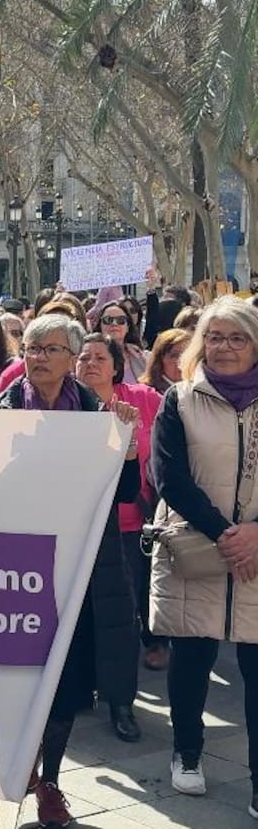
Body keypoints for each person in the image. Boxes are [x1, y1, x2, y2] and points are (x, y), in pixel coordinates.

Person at [0, 314, 140, 829]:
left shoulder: (97, 416)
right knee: (5, 682)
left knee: (65, 685)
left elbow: (125, 494)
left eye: (51, 349)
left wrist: (125, 447)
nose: (38, 356)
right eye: (33, 347)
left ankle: (52, 782)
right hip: (7, 574)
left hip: (73, 575)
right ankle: (21, 765)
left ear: (72, 359)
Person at [149, 297, 258, 808]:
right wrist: (227, 533)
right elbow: (169, 477)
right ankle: (186, 751)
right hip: (196, 545)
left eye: (237, 337)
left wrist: (254, 532)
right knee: (191, 658)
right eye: (214, 337)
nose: (225, 347)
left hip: (257, 551)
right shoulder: (181, 399)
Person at [76, 332, 165, 726]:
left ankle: (120, 702)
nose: (90, 363)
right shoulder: (65, 403)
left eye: (100, 357)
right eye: (83, 356)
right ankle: (79, 693)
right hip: (73, 528)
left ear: (116, 367)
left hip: (126, 526)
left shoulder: (144, 401)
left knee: (121, 618)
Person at [92, 301, 147, 383]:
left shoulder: (142, 357)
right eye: (108, 320)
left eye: (121, 320)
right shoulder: (89, 356)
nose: (114, 324)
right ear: (100, 325)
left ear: (128, 326)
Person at [139, 328, 191, 394]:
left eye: (187, 354)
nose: (182, 361)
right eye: (175, 356)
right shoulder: (145, 393)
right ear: (159, 359)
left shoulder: (198, 391)